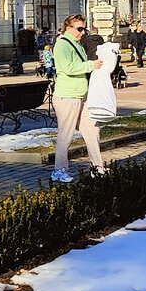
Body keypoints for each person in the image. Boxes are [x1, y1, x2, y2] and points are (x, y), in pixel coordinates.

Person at [50, 14, 106, 183]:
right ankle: (59, 170)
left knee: (92, 130)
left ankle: (98, 167)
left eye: (84, 28)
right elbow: (68, 68)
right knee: (66, 135)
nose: (82, 32)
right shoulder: (62, 45)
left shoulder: (78, 44)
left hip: (81, 94)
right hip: (67, 96)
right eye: (79, 29)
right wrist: (91, 65)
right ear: (68, 28)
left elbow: (82, 65)